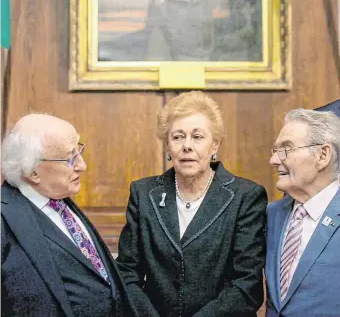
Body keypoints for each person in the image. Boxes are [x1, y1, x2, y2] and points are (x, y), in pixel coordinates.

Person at [117, 91, 267, 316]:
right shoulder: (143, 193)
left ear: (214, 145)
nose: (186, 146)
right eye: (178, 137)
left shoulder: (245, 196)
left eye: (197, 137)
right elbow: (127, 274)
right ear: (168, 146)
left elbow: (247, 286)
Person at [1, 113, 138, 317]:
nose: (82, 166)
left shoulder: (59, 198)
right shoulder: (5, 218)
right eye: (69, 159)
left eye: (78, 151)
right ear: (33, 172)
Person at [266, 109, 340, 316]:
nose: (274, 160)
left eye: (286, 150)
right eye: (275, 151)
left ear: (323, 155)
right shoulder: (272, 215)